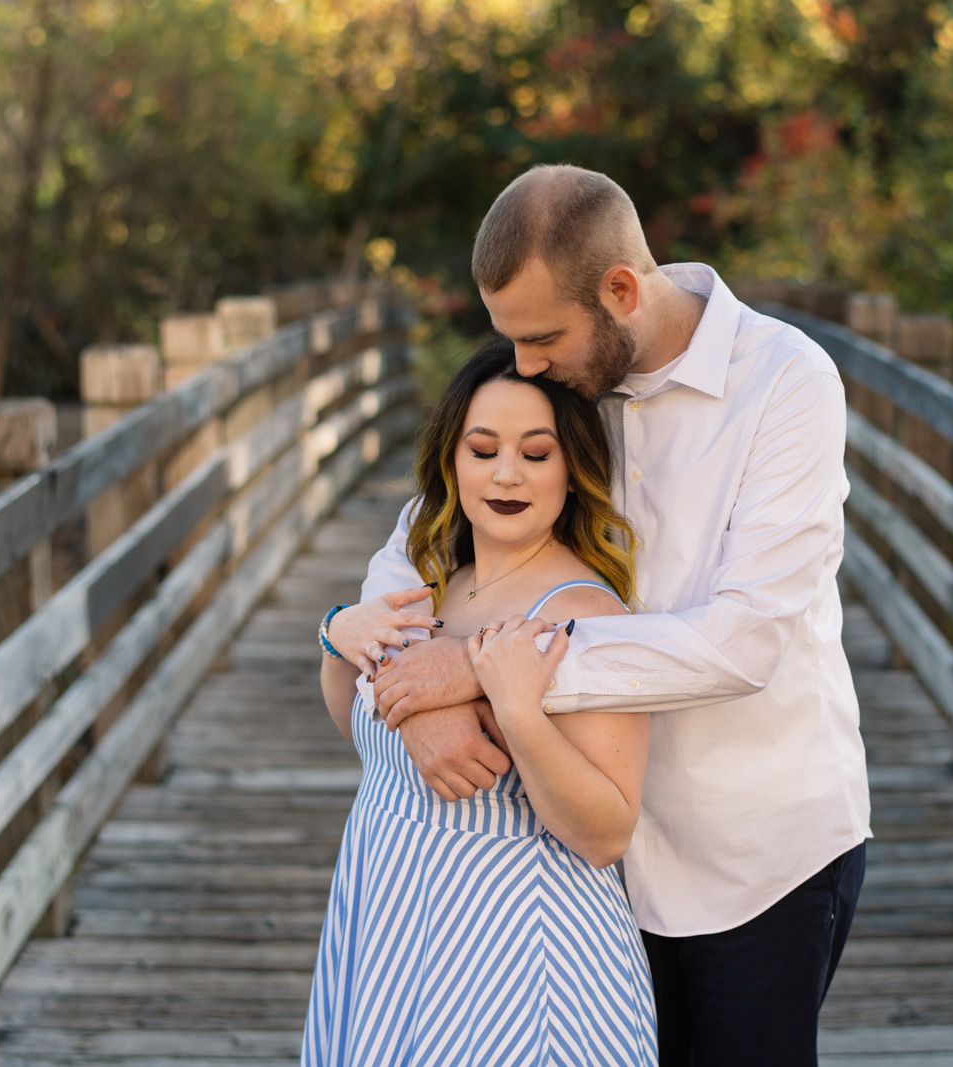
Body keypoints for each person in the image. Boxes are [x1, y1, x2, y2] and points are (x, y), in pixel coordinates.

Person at [363, 165, 872, 1066]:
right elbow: (419, 536)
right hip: (585, 867)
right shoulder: (569, 372)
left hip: (755, 853)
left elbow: (741, 642)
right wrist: (409, 667)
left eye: (542, 336)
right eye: (510, 340)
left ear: (623, 290)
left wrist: (483, 664)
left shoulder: (787, 385)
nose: (524, 364)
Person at [304, 338, 657, 1066]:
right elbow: (352, 722)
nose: (506, 474)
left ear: (572, 470)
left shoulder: (588, 612)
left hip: (518, 958)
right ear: (452, 458)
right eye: (483, 447)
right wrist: (341, 631)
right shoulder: (432, 575)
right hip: (391, 924)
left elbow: (607, 832)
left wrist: (521, 714)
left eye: (536, 453)